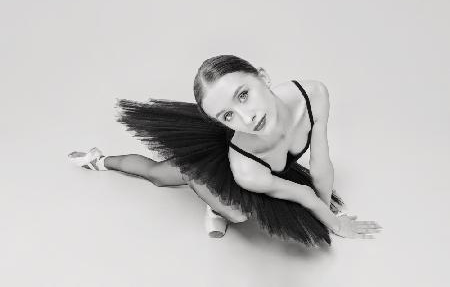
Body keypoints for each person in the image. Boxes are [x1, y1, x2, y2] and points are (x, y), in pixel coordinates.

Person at [68, 55, 381, 247]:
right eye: (227, 116)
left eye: (243, 95)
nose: (248, 118)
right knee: (163, 178)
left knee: (248, 207)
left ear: (263, 76)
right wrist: (335, 223)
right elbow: (304, 196)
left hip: (259, 165)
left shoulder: (312, 94)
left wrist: (333, 217)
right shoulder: (246, 169)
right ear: (220, 122)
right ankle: (101, 160)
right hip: (236, 166)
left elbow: (319, 162)